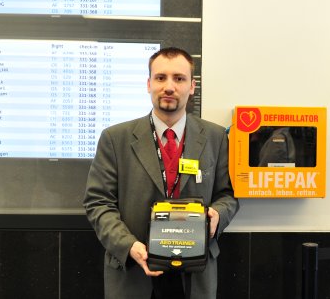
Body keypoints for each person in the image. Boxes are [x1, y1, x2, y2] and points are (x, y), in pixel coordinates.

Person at [83, 47, 239, 299]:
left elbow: (228, 195)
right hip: (134, 271)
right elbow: (98, 203)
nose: (169, 87)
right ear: (148, 84)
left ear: (192, 86)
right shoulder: (115, 138)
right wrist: (129, 246)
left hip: (195, 274)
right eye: (160, 78)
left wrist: (217, 216)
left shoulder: (215, 138)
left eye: (179, 78)